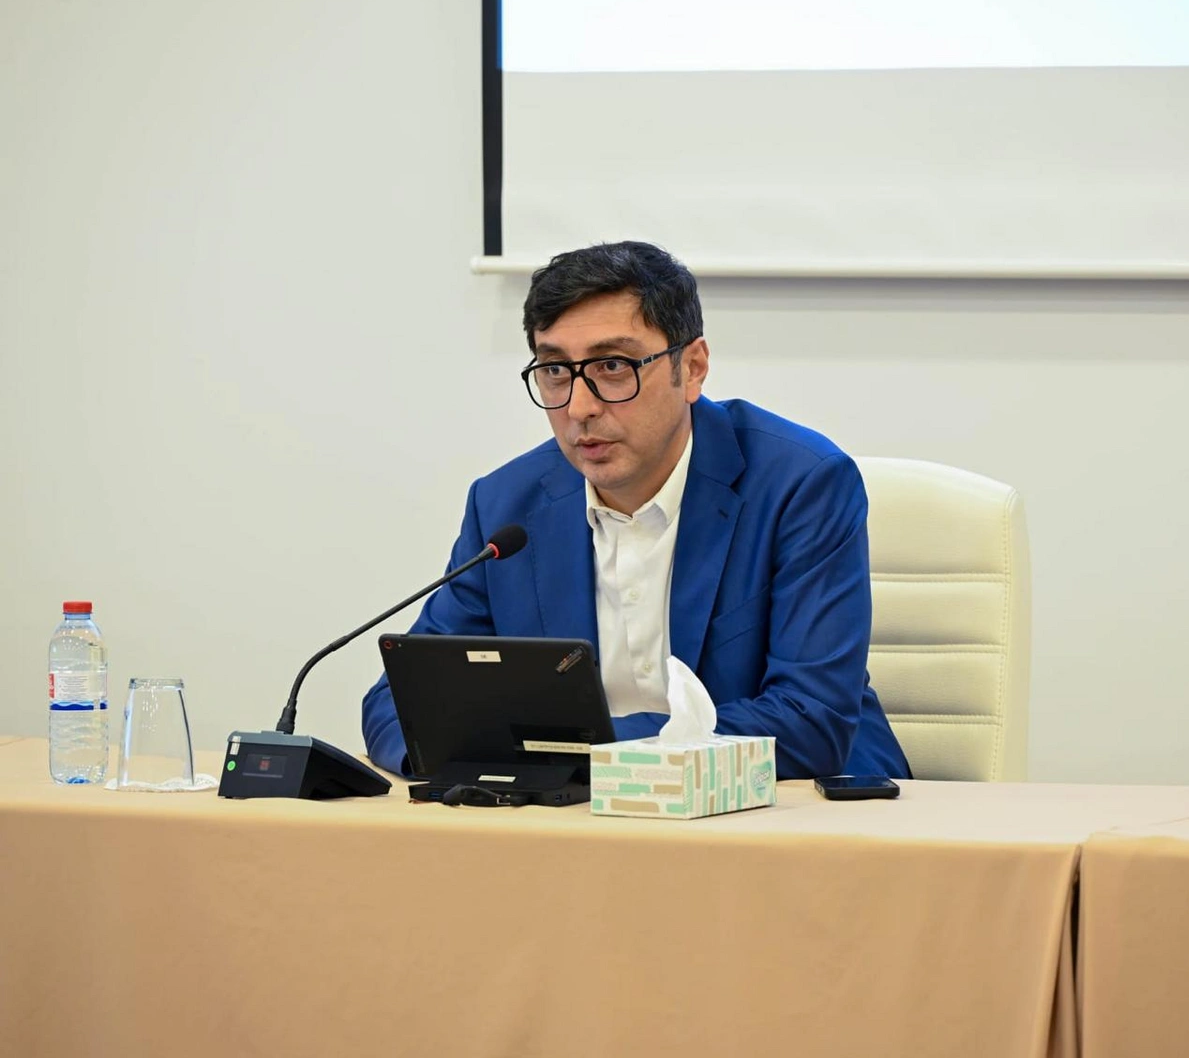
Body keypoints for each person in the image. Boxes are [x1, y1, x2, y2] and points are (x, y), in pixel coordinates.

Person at [363, 241, 910, 780]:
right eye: (555, 371)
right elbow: (402, 700)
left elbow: (810, 720)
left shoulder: (800, 485)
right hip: (580, 814)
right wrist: (468, 752)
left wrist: (574, 748)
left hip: (786, 809)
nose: (580, 407)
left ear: (691, 368)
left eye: (612, 366)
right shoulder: (507, 505)